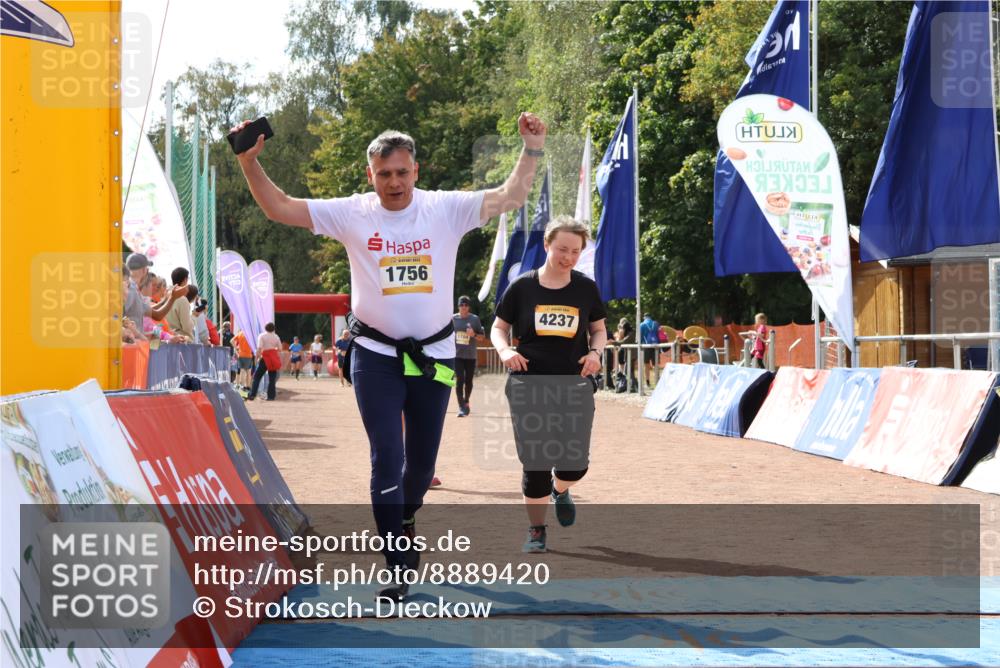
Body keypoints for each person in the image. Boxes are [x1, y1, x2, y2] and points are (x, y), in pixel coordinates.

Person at [232, 110, 547, 601]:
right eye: (384, 174)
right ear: (370, 175)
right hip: (375, 354)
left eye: (402, 172)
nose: (394, 183)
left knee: (419, 468)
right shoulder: (353, 212)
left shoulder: (445, 209)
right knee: (386, 457)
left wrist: (531, 149)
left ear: (416, 171)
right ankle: (397, 565)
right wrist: (249, 162)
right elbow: (280, 207)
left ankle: (406, 515)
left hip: (434, 356)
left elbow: (510, 196)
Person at [490, 216, 607, 554]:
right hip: (528, 383)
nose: (568, 257)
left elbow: (599, 329)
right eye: (561, 249)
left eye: (575, 251)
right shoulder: (522, 287)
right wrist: (505, 350)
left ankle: (560, 489)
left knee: (575, 464)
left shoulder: (586, 288)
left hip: (574, 383)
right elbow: (498, 327)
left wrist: (596, 353)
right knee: (536, 461)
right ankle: (537, 529)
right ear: (547, 245)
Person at [452, 296, 485, 417]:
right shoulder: (452, 319)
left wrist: (473, 334)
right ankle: (461, 406)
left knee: (468, 381)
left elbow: (482, 338)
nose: (464, 307)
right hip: (457, 355)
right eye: (461, 305)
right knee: (460, 379)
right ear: (458, 306)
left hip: (470, 356)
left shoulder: (474, 319)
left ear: (469, 307)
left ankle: (466, 401)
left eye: (466, 305)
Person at [247, 322, 282, 401]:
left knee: (257, 377)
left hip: (265, 358)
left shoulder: (262, 336)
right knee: (272, 379)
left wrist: (257, 358)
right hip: (273, 358)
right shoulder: (276, 336)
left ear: (265, 328)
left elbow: (259, 348)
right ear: (273, 328)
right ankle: (271, 396)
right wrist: (273, 350)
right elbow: (280, 348)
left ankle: (252, 395)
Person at [164, 268, 195, 341]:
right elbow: (187, 327)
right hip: (181, 340)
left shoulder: (164, 295)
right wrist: (194, 318)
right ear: (185, 280)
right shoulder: (182, 299)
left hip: (166, 337)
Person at [638, 313, 660, 387]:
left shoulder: (642, 324)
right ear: (650, 317)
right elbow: (658, 334)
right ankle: (657, 381)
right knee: (655, 364)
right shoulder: (656, 324)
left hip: (646, 346)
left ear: (644, 317)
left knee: (646, 364)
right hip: (655, 346)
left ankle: (648, 382)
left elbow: (640, 337)